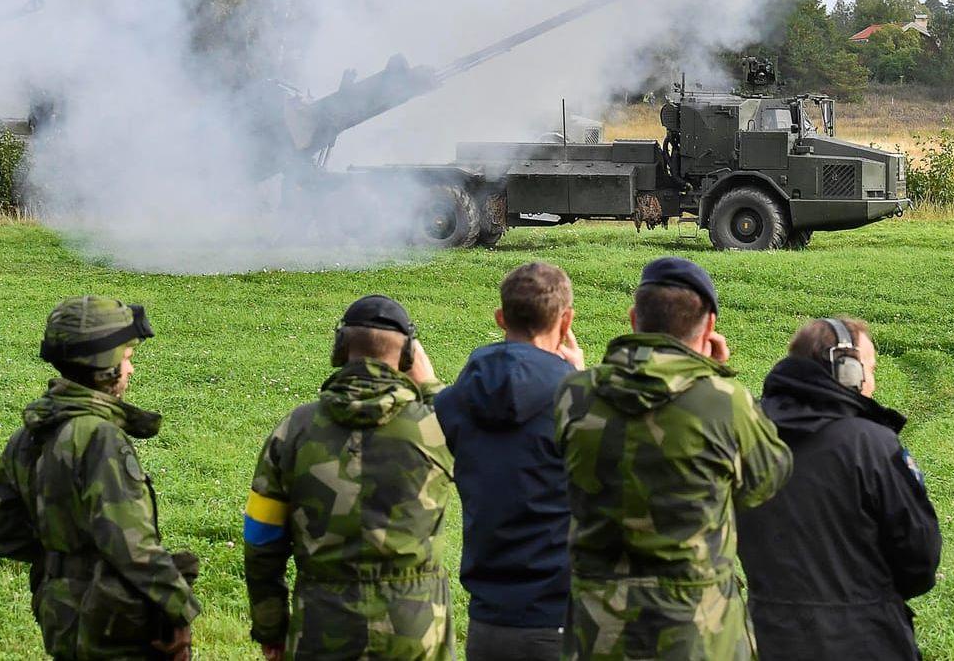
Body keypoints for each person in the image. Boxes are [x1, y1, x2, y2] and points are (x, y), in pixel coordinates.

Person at [555, 257, 793, 660]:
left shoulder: (574, 394)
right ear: (710, 327)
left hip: (599, 627)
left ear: (633, 318)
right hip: (699, 631)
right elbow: (766, 481)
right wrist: (714, 375)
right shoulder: (724, 401)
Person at [0, 296, 201, 661]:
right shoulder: (100, 438)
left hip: (60, 613)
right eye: (127, 358)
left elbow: (2, 533)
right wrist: (180, 611)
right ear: (105, 367)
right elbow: (132, 546)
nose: (131, 369)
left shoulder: (31, 433)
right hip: (115, 618)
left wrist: (63, 565)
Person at [243, 295, 455, 660]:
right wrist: (432, 387)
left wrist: (271, 628)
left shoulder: (295, 429)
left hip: (322, 626)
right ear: (407, 356)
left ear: (340, 349)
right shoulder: (436, 425)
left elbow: (261, 538)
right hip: (416, 629)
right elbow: (479, 450)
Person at [737, 317, 941, 660]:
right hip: (866, 641)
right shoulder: (873, 445)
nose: (872, 383)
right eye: (869, 369)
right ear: (846, 370)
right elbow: (919, 559)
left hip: (768, 638)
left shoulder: (745, 441)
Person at [433, 262, 584, 661]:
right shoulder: (578, 400)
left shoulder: (455, 402)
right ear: (566, 320)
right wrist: (580, 377)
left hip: (488, 622)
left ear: (501, 318)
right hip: (560, 619)